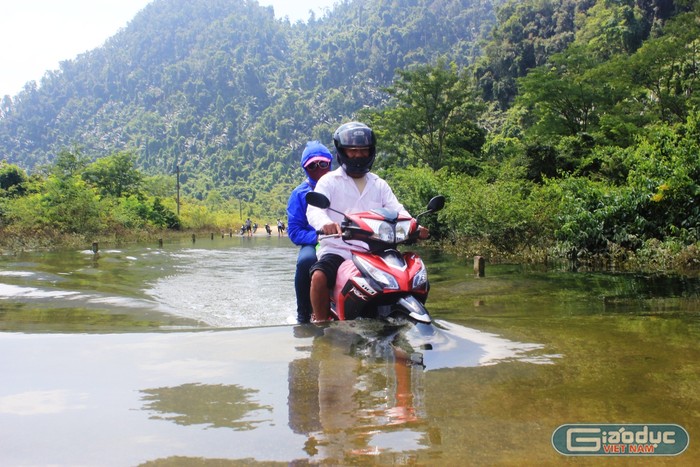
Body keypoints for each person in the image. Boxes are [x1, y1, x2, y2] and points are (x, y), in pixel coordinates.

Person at [306, 122, 429, 322]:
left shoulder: (379, 184)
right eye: (352, 151)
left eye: (363, 151)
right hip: (339, 248)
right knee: (319, 276)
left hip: (376, 250)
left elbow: (398, 210)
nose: (358, 156)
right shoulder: (329, 181)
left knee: (408, 276)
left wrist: (415, 226)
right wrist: (325, 223)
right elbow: (315, 209)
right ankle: (320, 327)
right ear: (342, 151)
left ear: (370, 152)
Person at [286, 141, 333, 324]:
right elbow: (295, 231)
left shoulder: (340, 185)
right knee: (306, 261)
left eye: (323, 163)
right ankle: (303, 315)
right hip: (314, 241)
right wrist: (319, 236)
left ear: (330, 163)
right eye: (312, 165)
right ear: (305, 168)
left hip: (345, 238)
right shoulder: (299, 194)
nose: (319, 168)